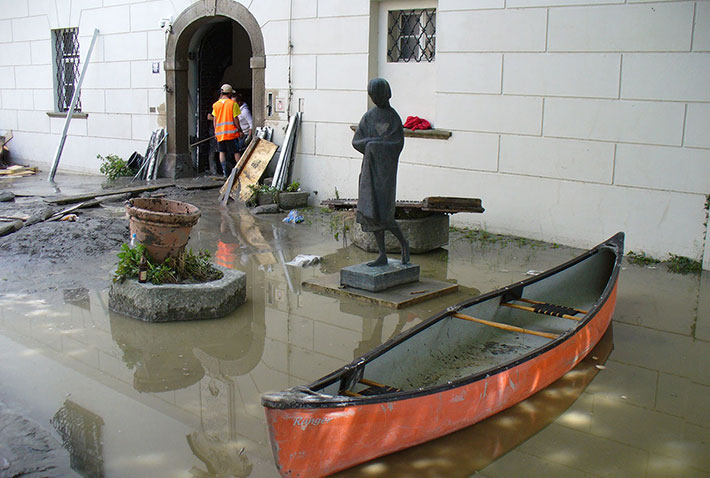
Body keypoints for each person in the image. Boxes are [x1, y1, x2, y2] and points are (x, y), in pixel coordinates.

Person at [352, 77, 410, 266]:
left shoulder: (393, 118)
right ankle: (382, 254)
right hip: (369, 173)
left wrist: (374, 145)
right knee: (372, 212)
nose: (375, 99)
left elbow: (396, 144)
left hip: (385, 174)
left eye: (378, 95)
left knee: (385, 214)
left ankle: (403, 243)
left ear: (386, 94)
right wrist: (370, 144)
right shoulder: (368, 117)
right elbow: (356, 141)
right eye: (372, 96)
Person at [212, 84, 242, 176]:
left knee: (222, 152)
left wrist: (215, 131)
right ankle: (239, 171)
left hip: (220, 133)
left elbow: (215, 119)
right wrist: (239, 129)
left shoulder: (216, 105)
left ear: (222, 92)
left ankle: (225, 172)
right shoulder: (233, 104)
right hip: (231, 133)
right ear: (229, 93)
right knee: (236, 152)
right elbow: (235, 119)